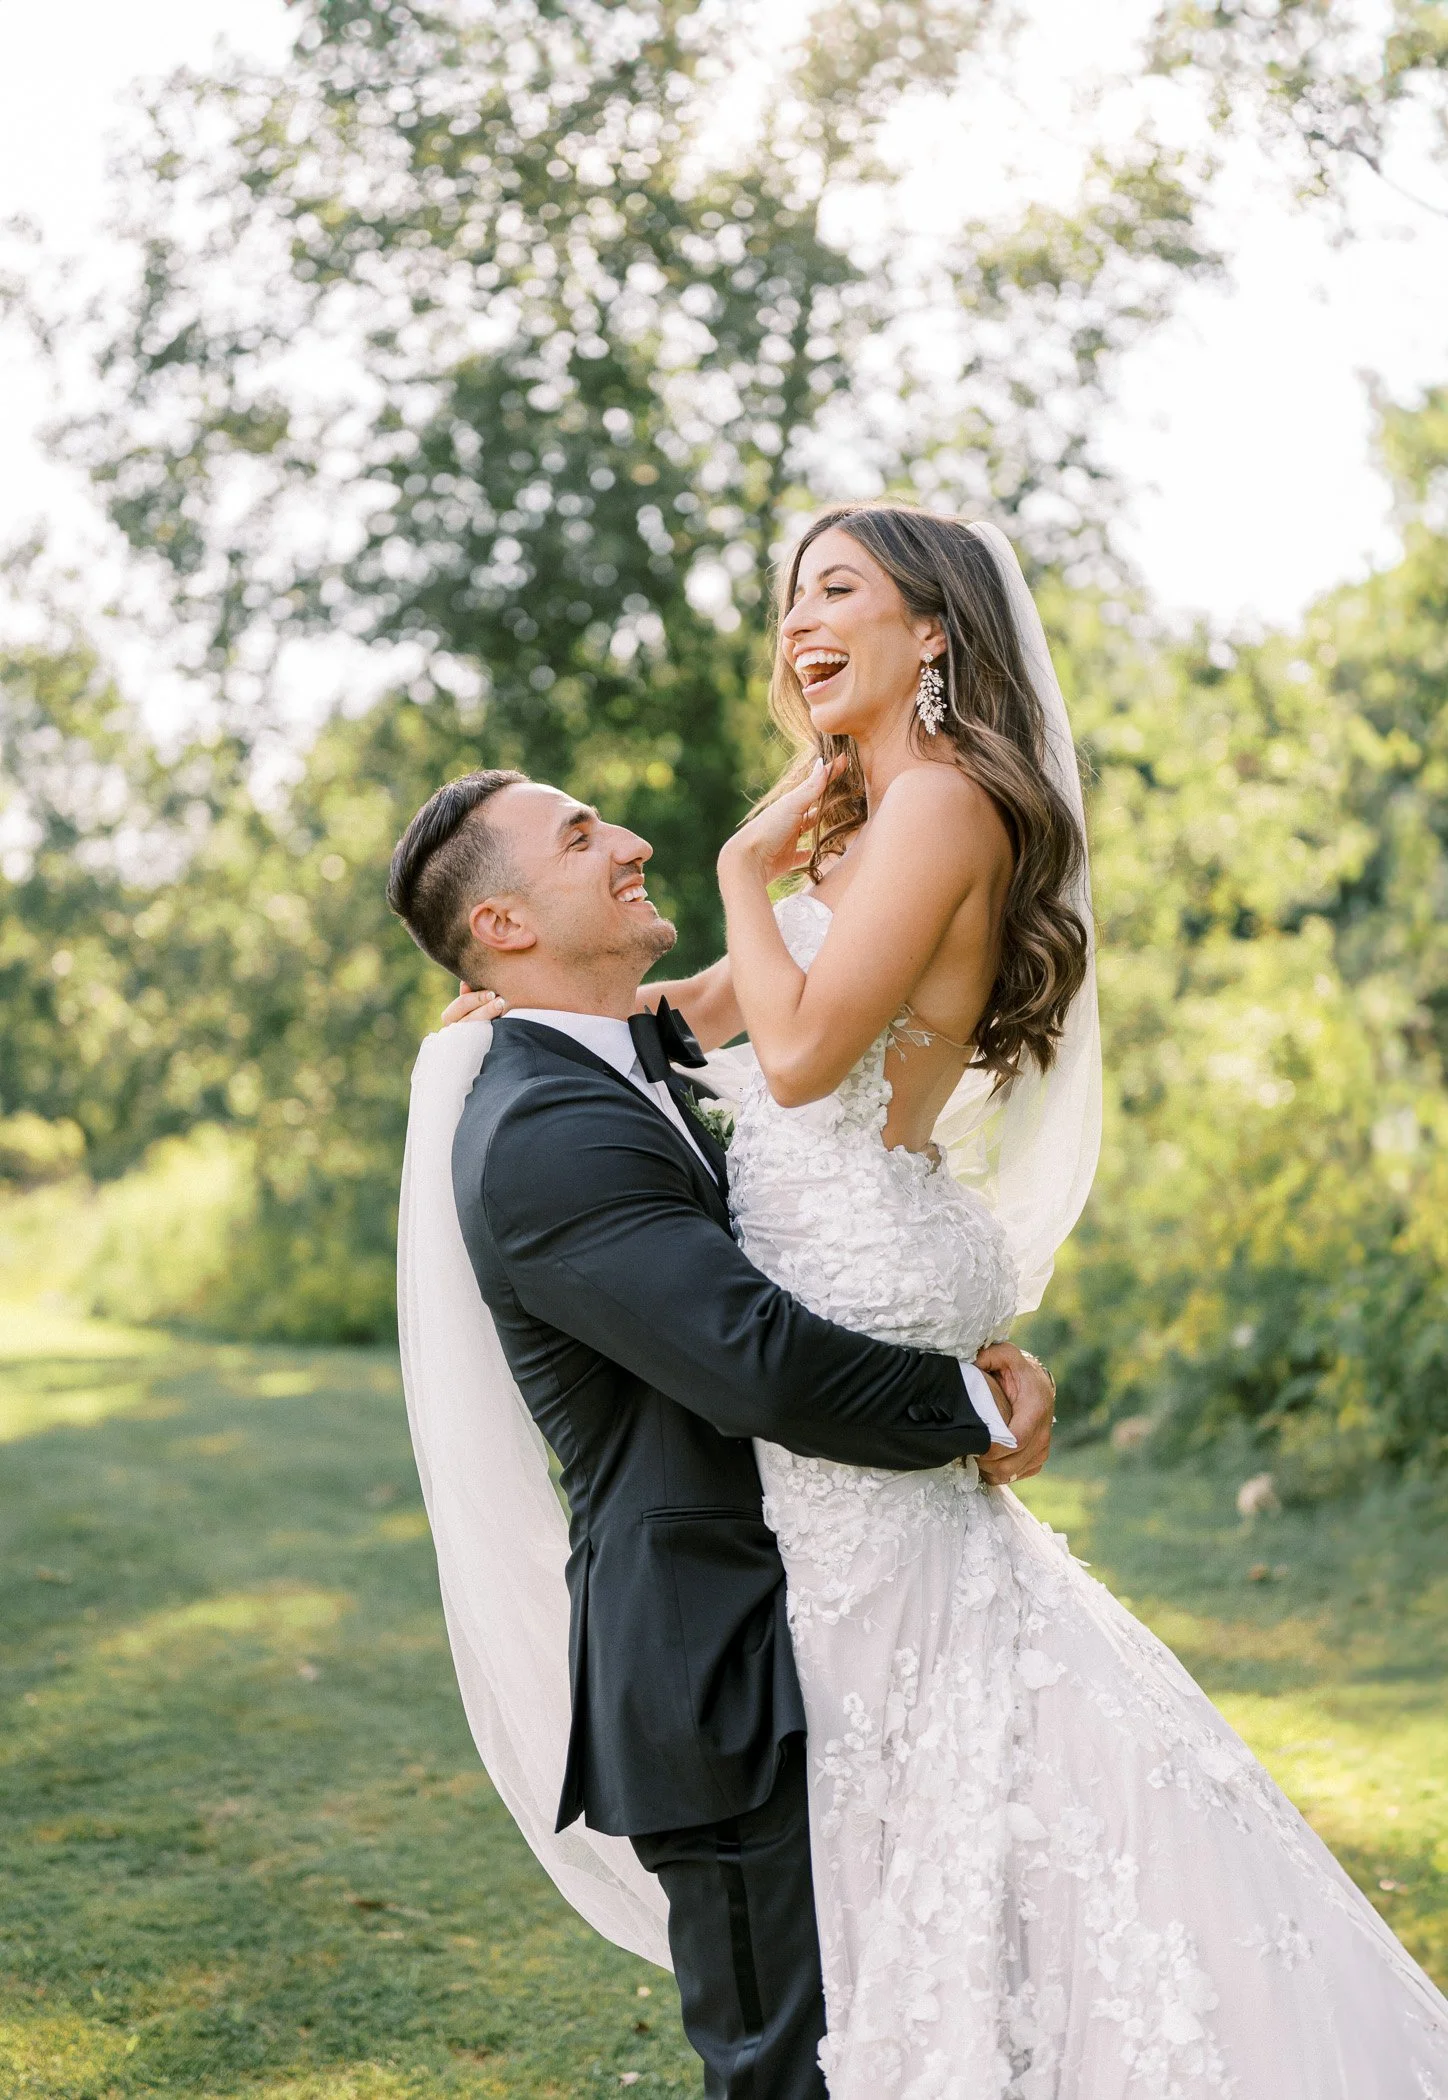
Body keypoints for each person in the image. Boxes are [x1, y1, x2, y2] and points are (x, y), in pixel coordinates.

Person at [431, 505, 1448, 2097]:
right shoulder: (865, 831)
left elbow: (806, 1052)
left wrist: (737, 869)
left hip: (849, 1348)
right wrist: (524, 1014)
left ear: (936, 631)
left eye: (837, 589)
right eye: (789, 599)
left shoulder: (936, 807)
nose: (798, 625)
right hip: (844, 1372)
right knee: (954, 1828)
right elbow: (699, 1023)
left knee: (962, 1816)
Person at [388, 761, 1057, 2100]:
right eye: (583, 839)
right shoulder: (541, 1132)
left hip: (826, 1621)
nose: (632, 841)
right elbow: (754, 1362)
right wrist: (969, 1406)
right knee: (785, 2072)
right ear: (505, 927)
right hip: (714, 1668)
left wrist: (995, 1357)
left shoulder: (624, 1063)